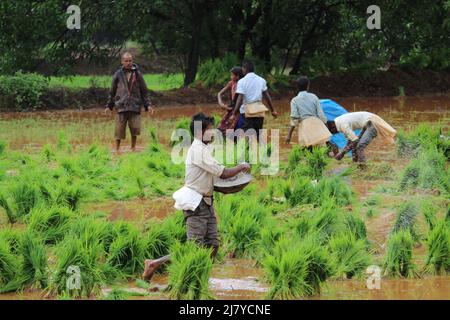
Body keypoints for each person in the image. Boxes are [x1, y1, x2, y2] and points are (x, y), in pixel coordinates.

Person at [142, 113, 251, 281]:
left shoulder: (204, 149)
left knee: (213, 245)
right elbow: (223, 173)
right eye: (210, 129)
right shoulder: (198, 150)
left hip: (206, 202)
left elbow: (212, 178)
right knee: (194, 247)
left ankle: (201, 275)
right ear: (201, 133)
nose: (213, 132)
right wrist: (241, 167)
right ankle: (155, 263)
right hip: (196, 203)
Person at [105, 52, 154, 153]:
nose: (128, 63)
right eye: (126, 61)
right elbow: (112, 91)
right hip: (121, 106)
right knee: (119, 130)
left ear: (133, 61)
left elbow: (144, 91)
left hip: (135, 106)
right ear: (122, 62)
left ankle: (133, 148)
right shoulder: (118, 74)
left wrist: (148, 105)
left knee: (135, 129)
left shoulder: (138, 74)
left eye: (130, 60)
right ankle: (117, 149)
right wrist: (109, 106)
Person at [232, 60, 278, 141]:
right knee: (257, 136)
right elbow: (267, 97)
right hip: (259, 112)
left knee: (247, 138)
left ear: (245, 69)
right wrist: (273, 110)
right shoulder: (261, 80)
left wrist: (234, 113)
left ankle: (248, 152)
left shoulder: (242, 81)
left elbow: (240, 98)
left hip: (247, 113)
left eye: (242, 68)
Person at [326, 111, 397, 163]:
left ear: (332, 127)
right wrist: (349, 157)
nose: (334, 134)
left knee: (360, 146)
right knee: (356, 145)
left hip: (372, 123)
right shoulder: (337, 121)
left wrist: (342, 153)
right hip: (367, 123)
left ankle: (363, 168)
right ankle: (356, 164)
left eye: (332, 132)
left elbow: (354, 141)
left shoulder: (343, 125)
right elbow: (351, 141)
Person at [285, 76, 331, 148]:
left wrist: (289, 135)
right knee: (319, 150)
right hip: (317, 124)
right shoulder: (314, 97)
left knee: (308, 151)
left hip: (305, 126)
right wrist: (326, 129)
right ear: (308, 86)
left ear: (297, 87)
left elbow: (294, 118)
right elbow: (321, 115)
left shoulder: (295, 100)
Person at [217, 67, 244, 136]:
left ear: (237, 76)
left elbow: (240, 100)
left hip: (239, 110)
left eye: (232, 75)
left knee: (232, 129)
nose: (231, 77)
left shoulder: (242, 85)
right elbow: (219, 93)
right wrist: (221, 104)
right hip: (232, 108)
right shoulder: (231, 83)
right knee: (221, 128)